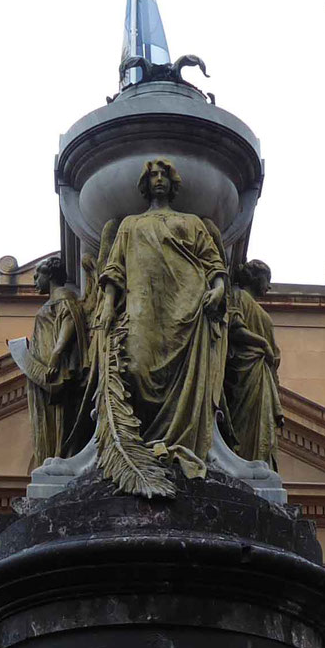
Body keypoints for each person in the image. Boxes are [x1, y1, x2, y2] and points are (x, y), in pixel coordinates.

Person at [89, 159, 229, 494]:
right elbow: (114, 268)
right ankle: (145, 441)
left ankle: (175, 444)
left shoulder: (191, 222)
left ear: (173, 182)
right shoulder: (130, 225)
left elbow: (213, 261)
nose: (159, 181)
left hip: (188, 304)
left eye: (164, 176)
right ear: (145, 184)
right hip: (142, 306)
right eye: (153, 176)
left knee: (183, 377)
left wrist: (220, 287)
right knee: (136, 368)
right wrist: (108, 303)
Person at [21, 255, 92, 468]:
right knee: (47, 419)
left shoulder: (64, 298)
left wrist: (56, 354)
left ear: (49, 275)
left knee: (59, 417)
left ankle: (60, 454)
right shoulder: (54, 301)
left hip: (54, 372)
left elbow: (69, 321)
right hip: (42, 373)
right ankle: (54, 455)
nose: (34, 280)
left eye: (37, 275)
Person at [222, 259, 282, 466]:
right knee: (243, 419)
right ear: (256, 278)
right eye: (268, 279)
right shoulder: (237, 296)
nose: (269, 285)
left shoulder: (258, 308)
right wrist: (263, 344)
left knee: (263, 424)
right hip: (245, 370)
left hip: (262, 372)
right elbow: (234, 328)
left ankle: (258, 460)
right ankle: (244, 460)